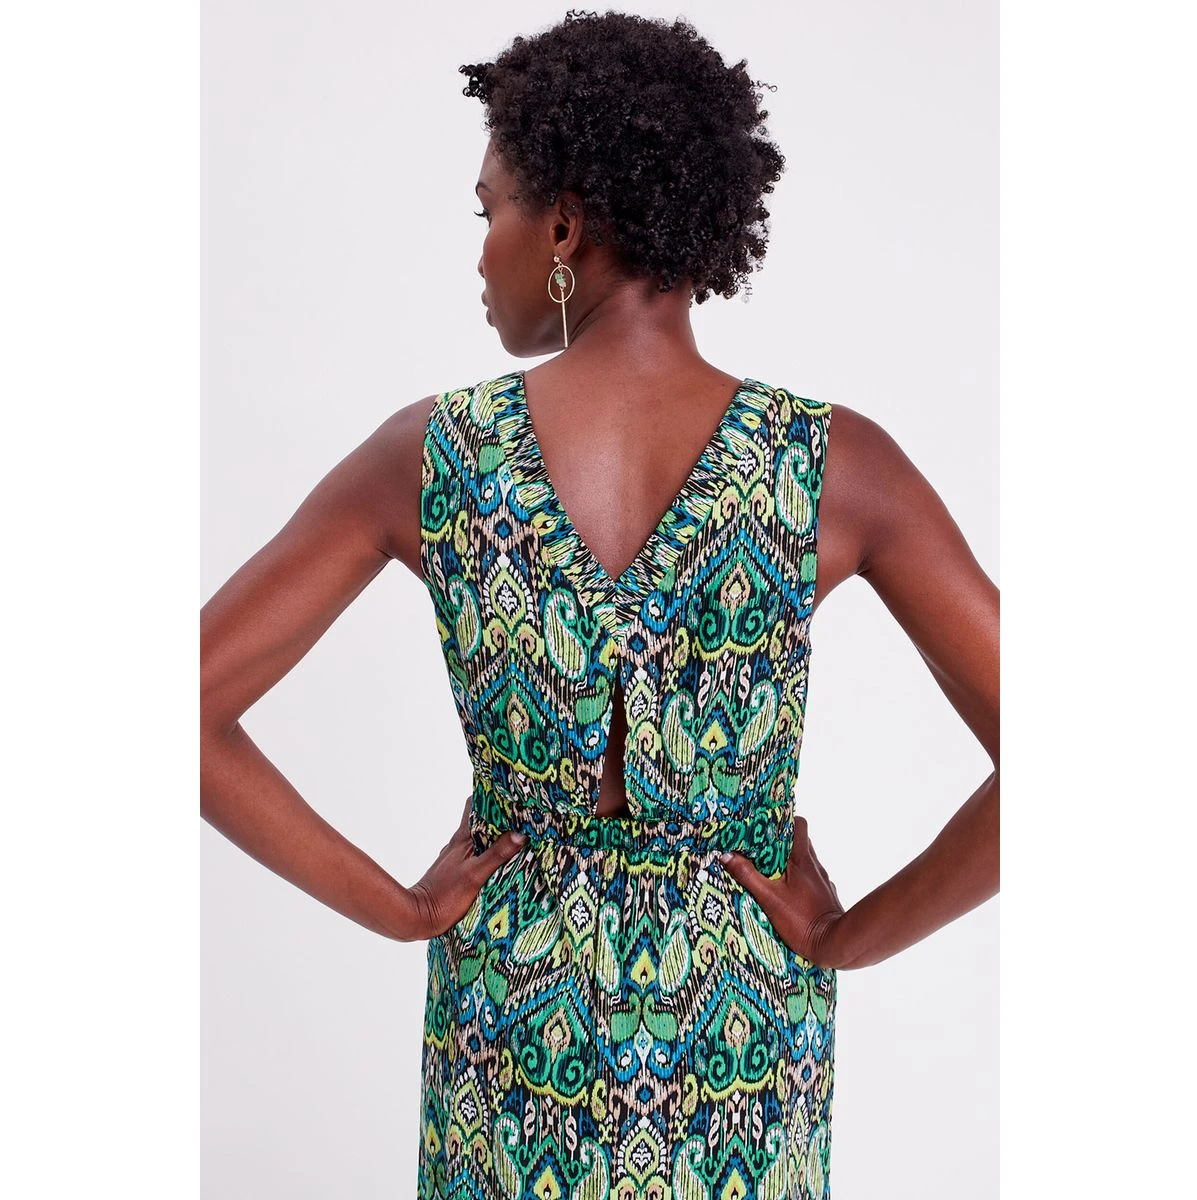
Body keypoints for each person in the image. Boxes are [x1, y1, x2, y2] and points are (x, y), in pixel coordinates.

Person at [201, 10, 999, 1198]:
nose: (481, 255)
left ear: (565, 227)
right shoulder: (835, 466)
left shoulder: (433, 456)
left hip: (512, 1024)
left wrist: (403, 910)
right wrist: (847, 936)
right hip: (738, 1048)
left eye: (489, 213)